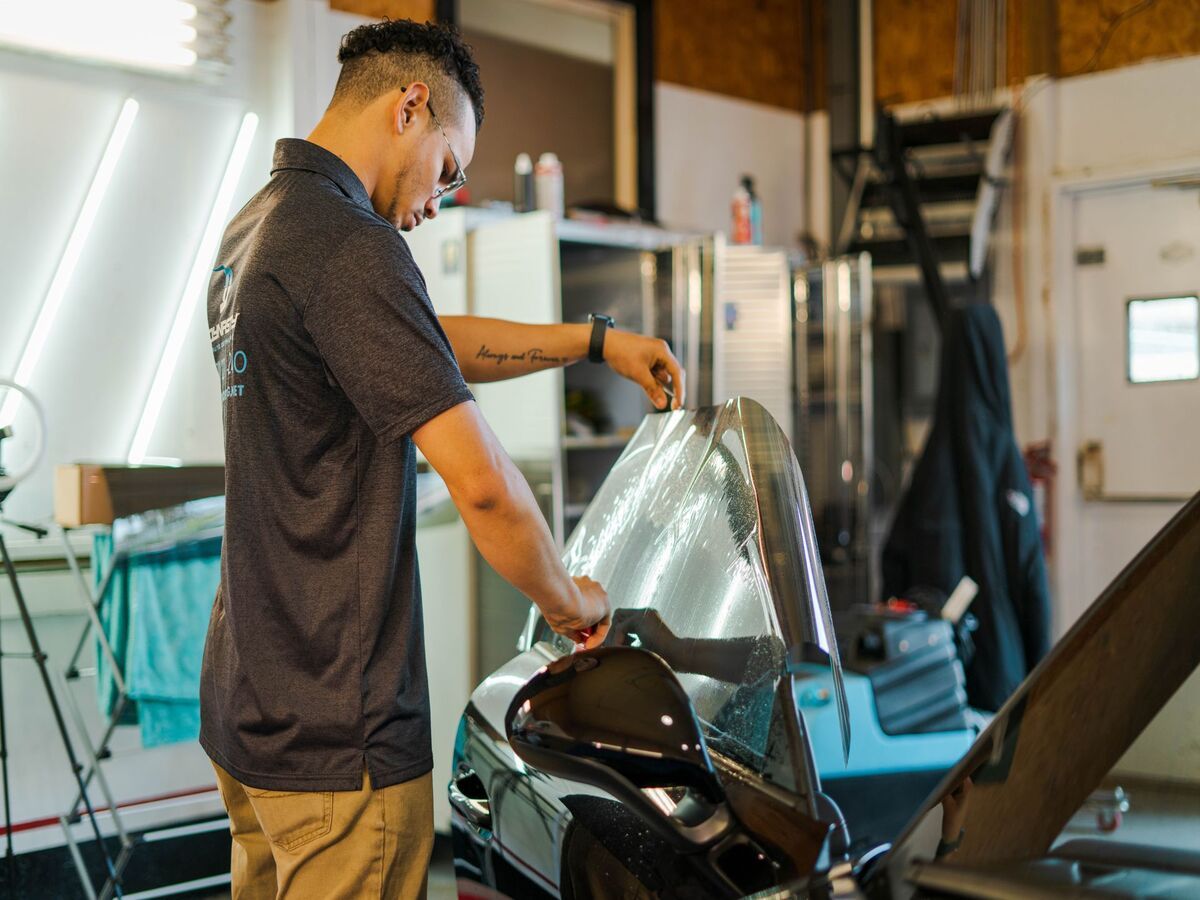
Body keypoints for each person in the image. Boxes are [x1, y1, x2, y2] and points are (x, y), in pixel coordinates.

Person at [200, 19, 685, 899]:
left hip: (253, 713)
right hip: (340, 737)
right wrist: (572, 603)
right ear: (410, 106)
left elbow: (419, 342)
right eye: (450, 169)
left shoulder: (258, 230)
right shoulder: (351, 244)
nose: (440, 202)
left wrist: (593, 340)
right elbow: (486, 488)